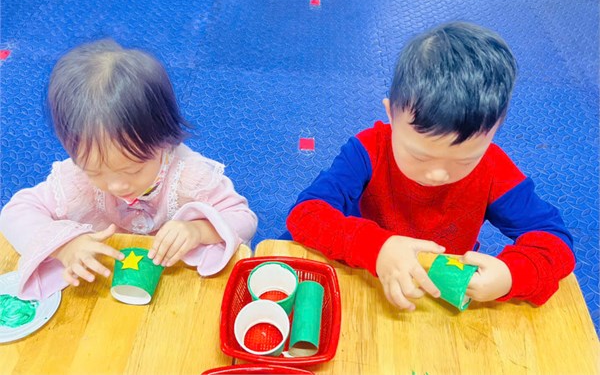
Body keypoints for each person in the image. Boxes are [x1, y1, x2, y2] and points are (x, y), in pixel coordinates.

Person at [286, 22, 575, 311]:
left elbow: (555, 241)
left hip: (440, 299)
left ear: (494, 131)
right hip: (367, 279)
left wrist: (511, 275)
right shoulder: (367, 152)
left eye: (464, 160)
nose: (438, 174)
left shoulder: (494, 169)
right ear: (391, 115)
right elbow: (305, 215)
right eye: (420, 156)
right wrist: (377, 247)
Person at [0, 39, 258, 299]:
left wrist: (198, 230)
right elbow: (15, 212)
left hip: (178, 287)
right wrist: (65, 246)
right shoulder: (76, 180)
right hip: (103, 286)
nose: (116, 186)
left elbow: (243, 219)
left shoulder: (190, 176)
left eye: (132, 170)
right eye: (95, 171)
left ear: (163, 141)